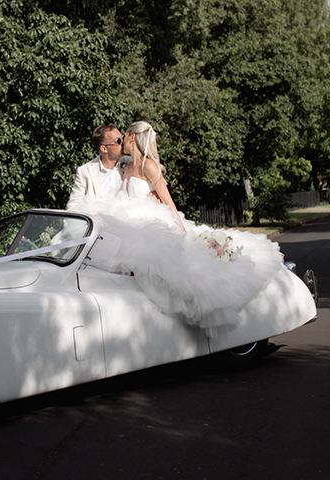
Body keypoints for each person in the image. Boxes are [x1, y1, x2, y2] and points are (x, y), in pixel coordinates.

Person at [76, 121, 284, 337]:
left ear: (133, 138)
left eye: (125, 136)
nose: (122, 142)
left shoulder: (149, 166)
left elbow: (168, 201)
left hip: (151, 221)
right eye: (118, 139)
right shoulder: (125, 166)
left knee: (173, 264)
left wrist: (183, 231)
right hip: (129, 221)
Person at [66, 124, 124, 210]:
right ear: (104, 148)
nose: (123, 142)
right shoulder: (85, 171)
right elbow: (73, 206)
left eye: (123, 137)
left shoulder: (132, 164)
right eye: (118, 141)